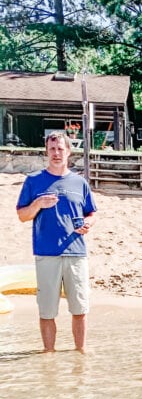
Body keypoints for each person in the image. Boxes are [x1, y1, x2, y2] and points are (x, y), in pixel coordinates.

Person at [15, 131, 97, 352]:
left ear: (68, 151)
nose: (56, 153)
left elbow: (91, 213)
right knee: (47, 311)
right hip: (46, 253)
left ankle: (80, 352)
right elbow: (22, 215)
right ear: (46, 152)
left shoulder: (80, 182)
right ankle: (48, 355)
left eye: (60, 149)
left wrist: (88, 223)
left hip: (76, 252)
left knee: (80, 308)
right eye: (52, 149)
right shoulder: (34, 181)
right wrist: (38, 204)